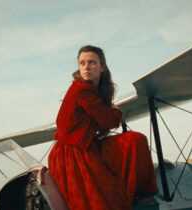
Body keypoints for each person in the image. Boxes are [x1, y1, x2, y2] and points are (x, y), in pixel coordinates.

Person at [48, 45, 157, 210]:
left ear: (102, 66)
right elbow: (108, 120)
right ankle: (140, 196)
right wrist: (115, 112)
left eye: (92, 62)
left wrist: (111, 113)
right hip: (72, 154)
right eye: (82, 63)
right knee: (107, 199)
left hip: (85, 147)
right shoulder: (81, 89)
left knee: (134, 140)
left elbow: (103, 120)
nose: (86, 67)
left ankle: (139, 193)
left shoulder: (92, 90)